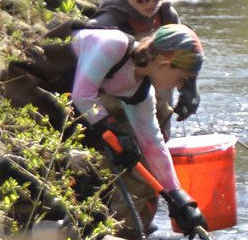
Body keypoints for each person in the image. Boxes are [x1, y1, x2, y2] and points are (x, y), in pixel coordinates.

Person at [68, 24, 210, 237]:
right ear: (164, 64)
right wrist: (113, 132)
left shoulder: (141, 93)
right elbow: (82, 95)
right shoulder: (113, 45)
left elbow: (153, 144)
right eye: (181, 79)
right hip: (39, 78)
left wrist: (178, 197)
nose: (179, 86)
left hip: (69, 105)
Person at [88, 0, 195, 141]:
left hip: (159, 108)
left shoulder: (166, 14)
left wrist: (189, 87)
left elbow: (184, 57)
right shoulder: (106, 25)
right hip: (118, 114)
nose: (152, 3)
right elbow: (86, 90)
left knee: (160, 149)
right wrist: (105, 129)